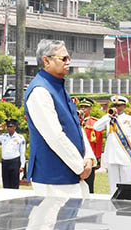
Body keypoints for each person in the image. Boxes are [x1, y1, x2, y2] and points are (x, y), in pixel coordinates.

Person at [24, 39, 95, 198]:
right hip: (53, 176)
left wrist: (89, 158)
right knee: (54, 222)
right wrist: (80, 166)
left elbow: (76, 126)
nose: (68, 62)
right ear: (46, 60)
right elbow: (54, 136)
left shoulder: (58, 87)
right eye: (63, 59)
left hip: (71, 173)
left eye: (68, 58)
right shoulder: (40, 91)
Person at [93, 96, 131, 195]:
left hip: (126, 156)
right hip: (112, 156)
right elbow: (96, 127)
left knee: (126, 183)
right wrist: (107, 116)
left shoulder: (130, 119)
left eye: (119, 105)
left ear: (124, 106)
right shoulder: (108, 119)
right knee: (113, 184)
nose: (117, 108)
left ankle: (126, 200)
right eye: (115, 105)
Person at [0, 118, 26, 189]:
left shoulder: (20, 138)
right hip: (5, 163)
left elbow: (22, 152)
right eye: (8, 127)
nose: (9, 128)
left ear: (15, 127)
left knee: (14, 184)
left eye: (11, 126)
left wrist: (22, 165)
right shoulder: (4, 136)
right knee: (6, 184)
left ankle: (15, 199)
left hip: (15, 162)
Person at [78, 97, 103, 193]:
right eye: (81, 106)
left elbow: (98, 141)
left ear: (90, 109)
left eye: (86, 107)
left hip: (89, 157)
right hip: (77, 155)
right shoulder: (75, 120)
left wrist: (97, 158)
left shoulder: (94, 122)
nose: (83, 109)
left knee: (89, 183)